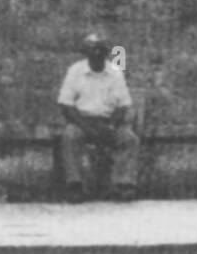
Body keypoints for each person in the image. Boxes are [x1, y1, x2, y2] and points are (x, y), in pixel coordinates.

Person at [56, 32, 138, 202]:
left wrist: (111, 126)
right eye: (93, 50)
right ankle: (75, 186)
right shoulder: (75, 71)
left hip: (108, 121)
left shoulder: (115, 72)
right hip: (82, 121)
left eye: (101, 50)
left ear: (107, 52)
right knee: (70, 136)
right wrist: (86, 126)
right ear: (86, 52)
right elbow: (65, 104)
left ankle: (123, 185)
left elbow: (123, 104)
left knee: (129, 139)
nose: (97, 54)